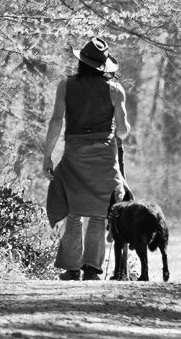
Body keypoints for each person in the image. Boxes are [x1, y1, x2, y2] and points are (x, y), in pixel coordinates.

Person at [42, 37, 130, 281]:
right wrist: (120, 126)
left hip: (74, 153)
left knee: (74, 210)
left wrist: (47, 155)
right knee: (100, 212)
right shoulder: (115, 90)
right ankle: (92, 269)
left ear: (81, 62)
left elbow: (56, 122)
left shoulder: (66, 86)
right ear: (103, 66)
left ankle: (71, 268)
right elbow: (122, 132)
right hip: (104, 156)